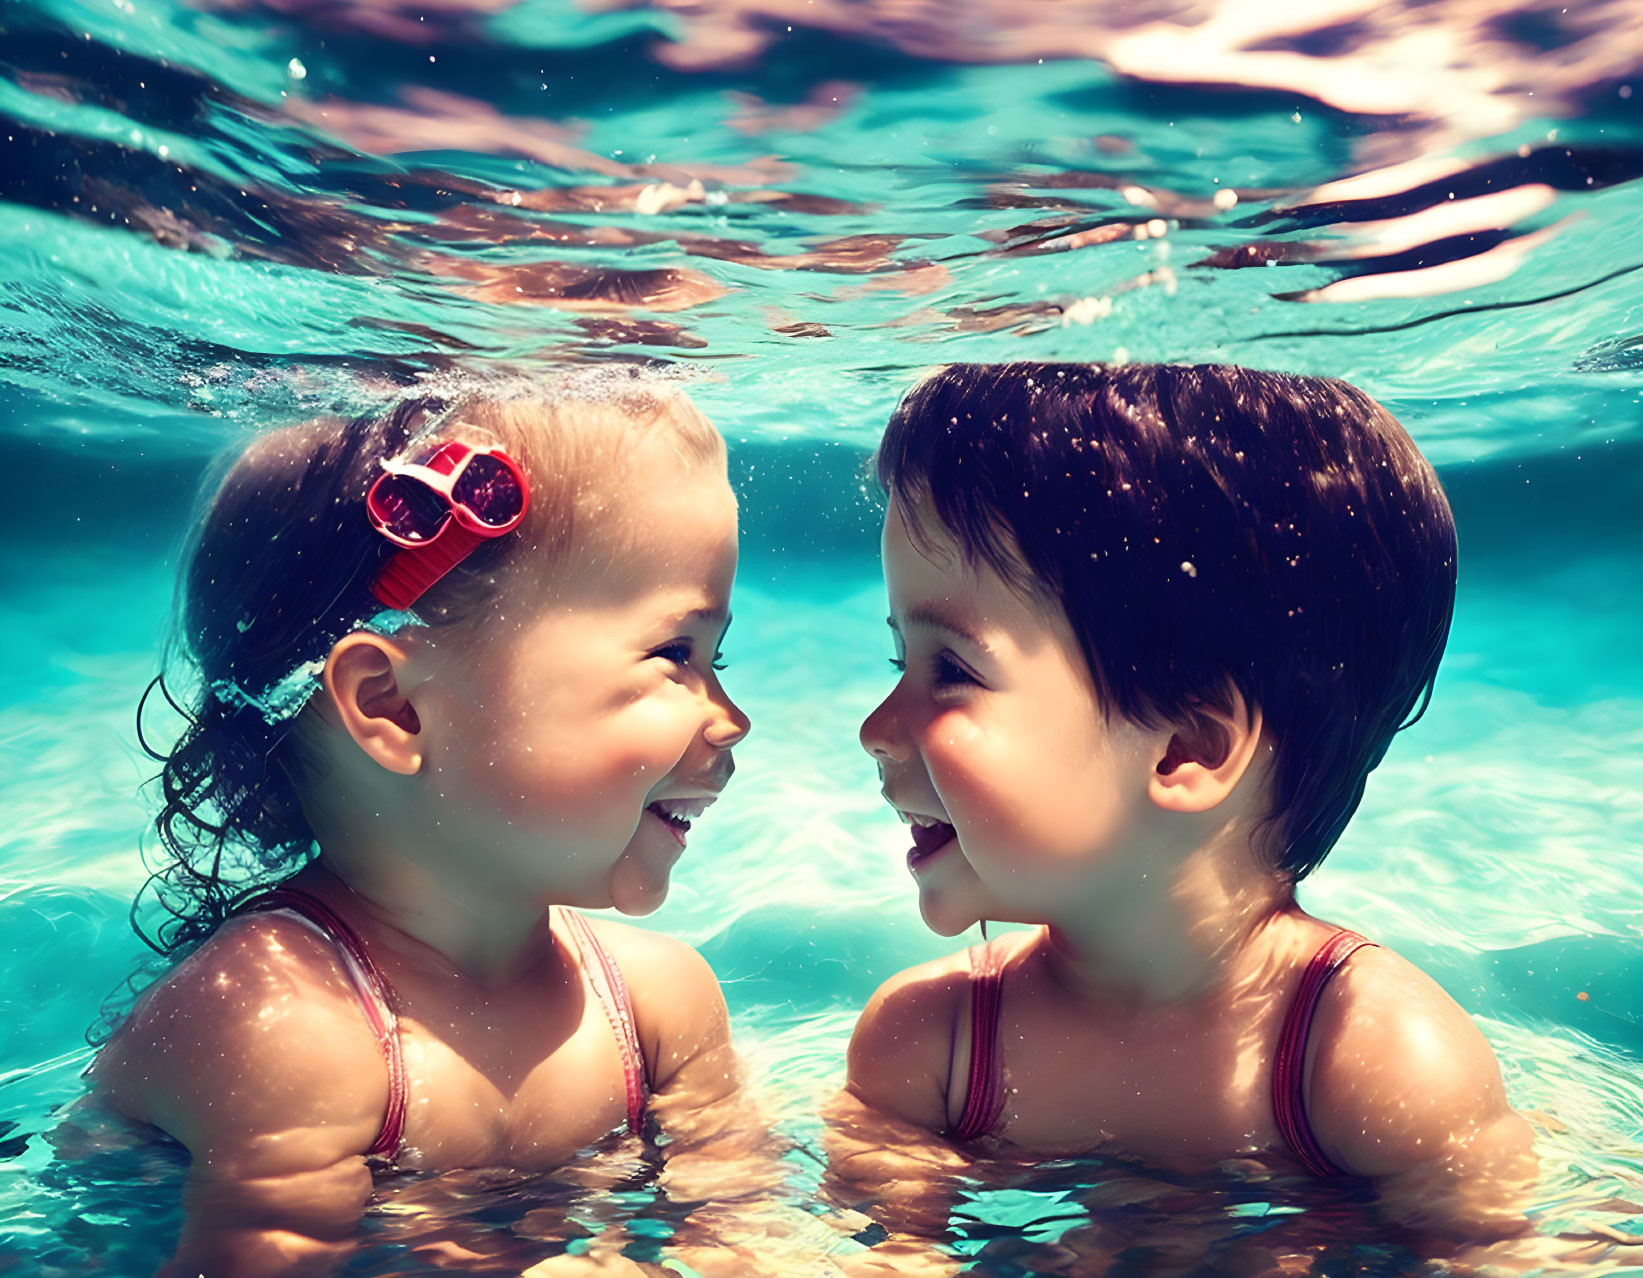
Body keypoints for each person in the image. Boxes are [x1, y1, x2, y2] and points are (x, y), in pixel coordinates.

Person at [828, 361, 1537, 1272]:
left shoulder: (1369, 1064)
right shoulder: (930, 1051)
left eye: (953, 671)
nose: (875, 730)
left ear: (1186, 751)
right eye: (898, 663)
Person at [89, 371, 759, 1276]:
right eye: (675, 654)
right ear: (393, 706)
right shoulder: (283, 1030)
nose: (731, 718)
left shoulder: (655, 1006)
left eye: (718, 658)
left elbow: (754, 1237)